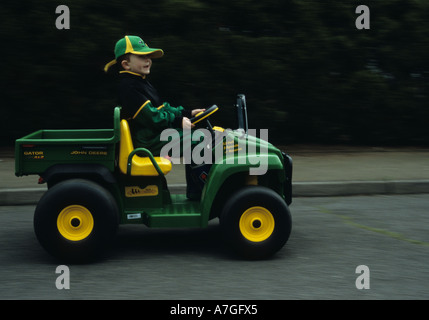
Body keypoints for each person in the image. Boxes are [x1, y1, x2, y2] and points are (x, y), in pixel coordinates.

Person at [105, 35, 208, 199]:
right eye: (141, 56)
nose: (148, 60)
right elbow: (152, 117)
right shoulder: (129, 87)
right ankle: (202, 192)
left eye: (148, 56)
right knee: (202, 139)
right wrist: (177, 121)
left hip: (151, 137)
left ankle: (197, 190)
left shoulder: (140, 82)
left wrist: (187, 113)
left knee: (201, 137)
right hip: (146, 143)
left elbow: (162, 108)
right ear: (126, 64)